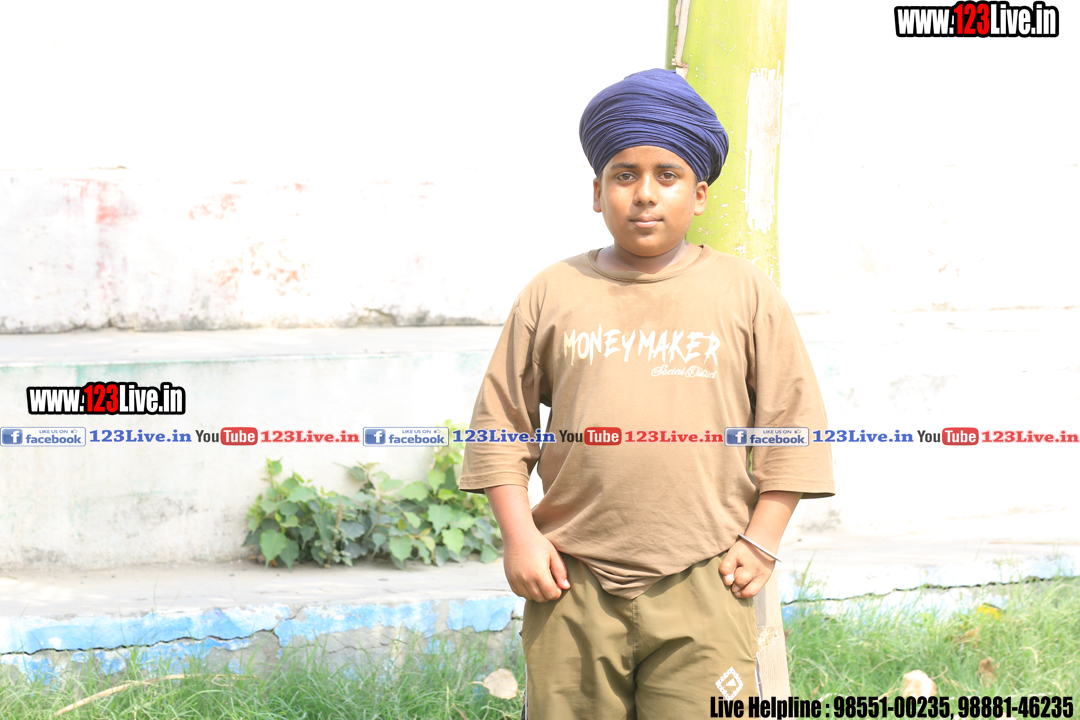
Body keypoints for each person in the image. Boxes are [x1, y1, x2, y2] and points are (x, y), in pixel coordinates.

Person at [458, 68, 834, 719]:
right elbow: (500, 426)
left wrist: (762, 538)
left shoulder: (744, 294)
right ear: (596, 192)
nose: (645, 195)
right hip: (570, 577)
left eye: (668, 175)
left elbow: (793, 426)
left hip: (706, 576)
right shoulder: (552, 293)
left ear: (701, 193)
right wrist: (520, 537)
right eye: (624, 175)